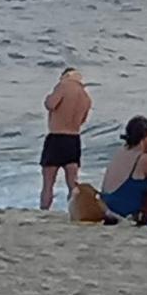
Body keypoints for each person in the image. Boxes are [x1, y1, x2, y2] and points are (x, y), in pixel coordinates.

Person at [39, 67, 92, 210]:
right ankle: (73, 211)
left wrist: (48, 97)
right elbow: (82, 120)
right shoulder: (85, 97)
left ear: (65, 76)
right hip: (74, 139)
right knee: (72, 183)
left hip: (57, 137)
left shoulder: (63, 86)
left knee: (48, 183)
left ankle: (44, 210)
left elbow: (50, 104)